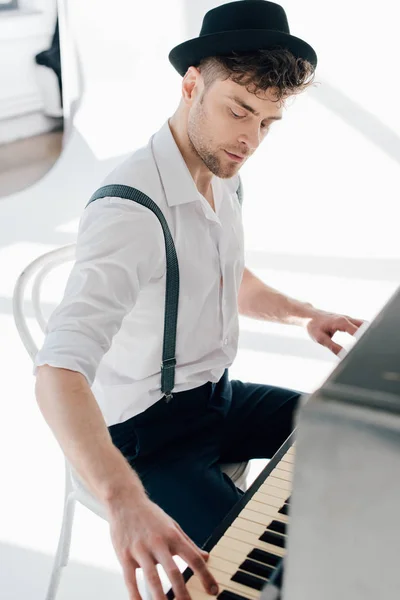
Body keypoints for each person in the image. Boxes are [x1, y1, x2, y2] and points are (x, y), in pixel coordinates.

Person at [34, 2, 364, 600]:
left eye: (267, 122)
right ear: (191, 85)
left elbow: (229, 281)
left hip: (217, 400)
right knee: (262, 578)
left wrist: (306, 314)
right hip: (145, 439)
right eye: (239, 110)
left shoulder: (223, 172)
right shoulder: (128, 212)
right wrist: (123, 499)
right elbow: (58, 371)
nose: (250, 138)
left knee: (356, 438)